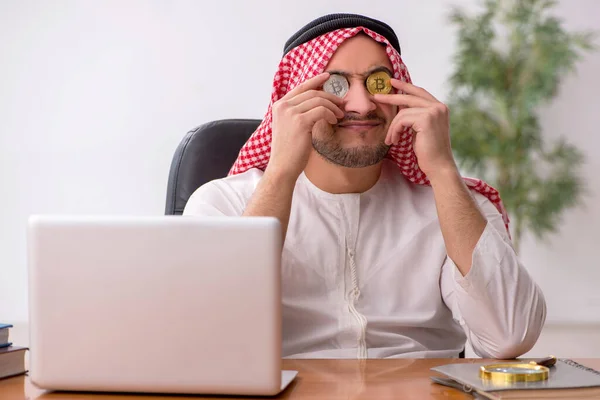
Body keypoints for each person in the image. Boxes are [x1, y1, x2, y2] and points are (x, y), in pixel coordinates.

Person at [183, 13, 546, 359]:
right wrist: (280, 173)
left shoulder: (453, 203)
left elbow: (510, 337)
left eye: (379, 83)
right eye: (334, 85)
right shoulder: (223, 205)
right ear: (293, 101)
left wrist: (443, 171)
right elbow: (210, 335)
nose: (360, 104)